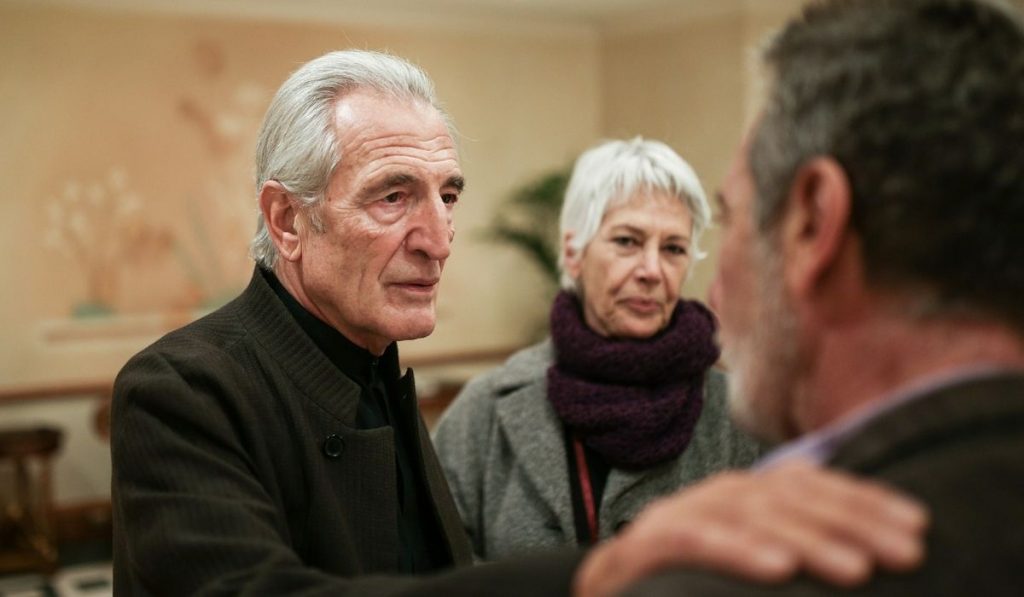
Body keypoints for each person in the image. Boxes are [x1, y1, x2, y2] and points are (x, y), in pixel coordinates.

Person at [111, 49, 929, 596]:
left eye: (448, 196)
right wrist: (602, 570)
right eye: (394, 196)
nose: (439, 239)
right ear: (287, 220)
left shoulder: (378, 373)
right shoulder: (181, 389)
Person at [574, 0, 1024, 595]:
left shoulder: (743, 576)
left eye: (733, 220)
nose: (712, 293)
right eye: (627, 242)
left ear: (813, 222)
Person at [433, 137, 760, 561]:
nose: (651, 270)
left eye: (673, 249)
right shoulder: (485, 411)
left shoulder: (740, 418)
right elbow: (436, 566)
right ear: (574, 253)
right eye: (627, 241)